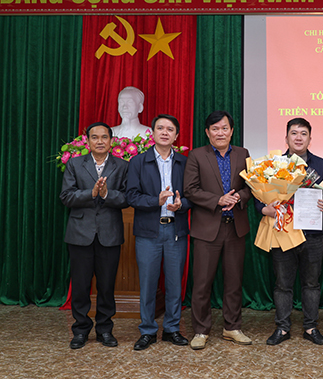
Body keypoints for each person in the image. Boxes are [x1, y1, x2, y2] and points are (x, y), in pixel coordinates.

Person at [256, 118, 323, 346]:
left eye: (303, 133)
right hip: (283, 233)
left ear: (310, 138)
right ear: (286, 138)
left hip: (312, 234)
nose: (299, 138)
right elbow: (259, 196)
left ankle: (310, 327)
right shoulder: (274, 165)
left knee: (311, 284)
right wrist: (264, 209)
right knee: (283, 284)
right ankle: (282, 328)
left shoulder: (321, 164)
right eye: (294, 133)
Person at [183, 110, 253, 349]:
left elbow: (251, 187)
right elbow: (190, 189)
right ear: (207, 132)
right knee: (202, 283)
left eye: (224, 128)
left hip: (235, 228)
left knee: (234, 282)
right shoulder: (196, 155)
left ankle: (232, 327)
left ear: (231, 131)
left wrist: (239, 197)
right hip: (207, 230)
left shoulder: (243, 154)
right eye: (215, 129)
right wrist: (217, 200)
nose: (220, 133)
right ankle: (201, 330)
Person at [59, 122, 129, 349]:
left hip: (109, 234)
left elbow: (127, 198)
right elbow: (66, 197)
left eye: (104, 137)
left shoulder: (122, 166)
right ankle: (80, 330)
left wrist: (107, 194)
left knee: (106, 286)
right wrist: (91, 193)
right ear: (87, 141)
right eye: (95, 137)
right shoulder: (75, 164)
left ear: (111, 141)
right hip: (80, 234)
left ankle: (105, 330)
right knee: (81, 286)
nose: (100, 141)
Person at [126, 114, 191, 351]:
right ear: (152, 133)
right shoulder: (138, 161)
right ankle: (147, 331)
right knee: (148, 283)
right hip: (148, 232)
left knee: (174, 284)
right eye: (160, 128)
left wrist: (181, 204)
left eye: (170, 129)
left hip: (176, 230)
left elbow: (193, 195)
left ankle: (172, 329)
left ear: (176, 135)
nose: (165, 132)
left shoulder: (184, 162)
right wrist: (157, 200)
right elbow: (131, 196)